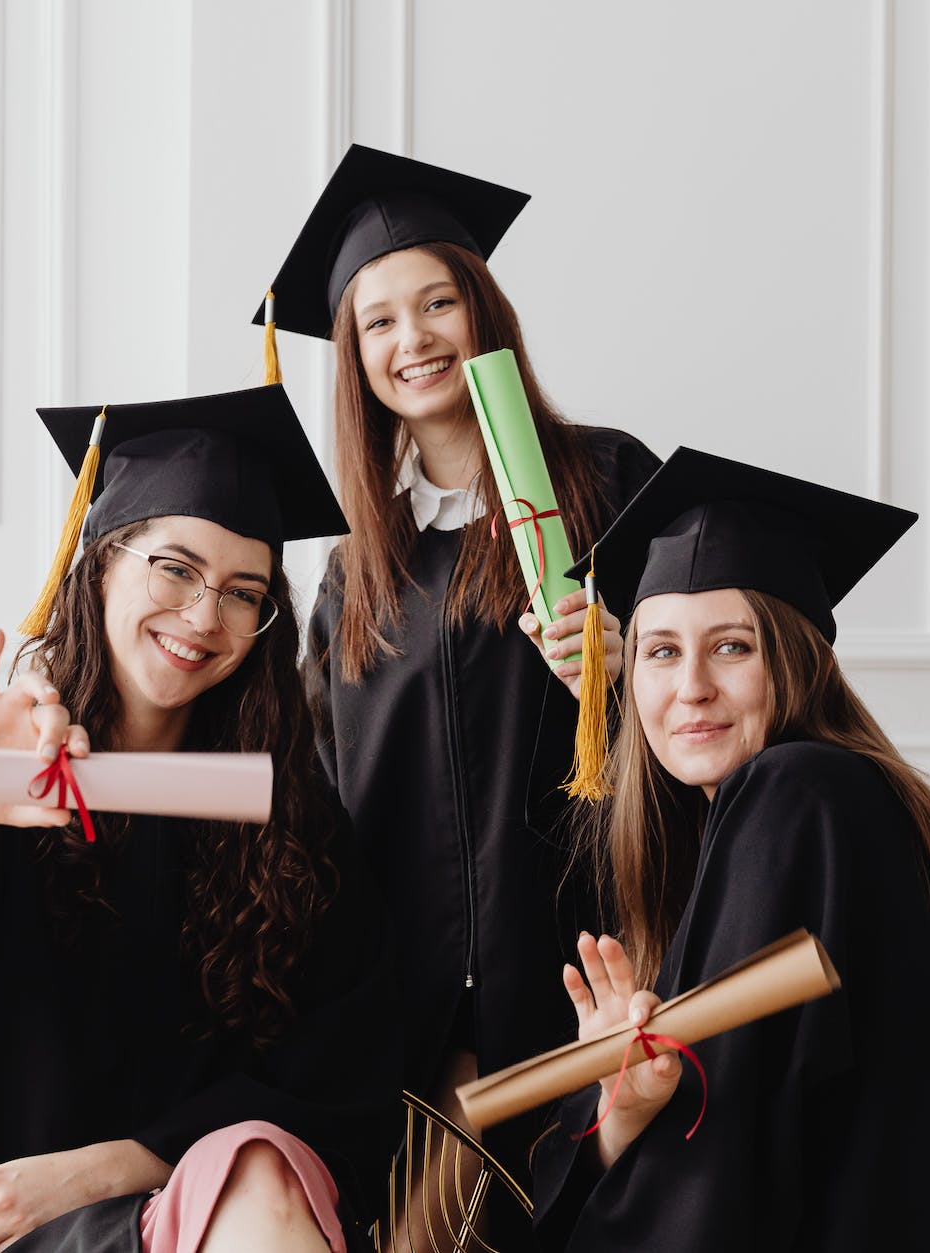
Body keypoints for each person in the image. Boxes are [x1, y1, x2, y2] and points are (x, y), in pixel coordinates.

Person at [0, 387, 399, 1253]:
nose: (205, 616)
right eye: (175, 568)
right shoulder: (14, 767)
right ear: (102, 559)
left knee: (254, 1170)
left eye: (244, 592)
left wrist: (105, 1167)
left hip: (214, 1212)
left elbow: (338, 1075)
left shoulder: (291, 819)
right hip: (10, 1226)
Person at [532, 446, 930, 1250]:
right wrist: (628, 1107)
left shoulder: (797, 795)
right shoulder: (847, 801)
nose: (690, 687)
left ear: (794, 659)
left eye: (731, 646)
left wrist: (624, 1129)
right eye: (661, 651)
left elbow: (724, 1156)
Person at [259, 146, 661, 1209]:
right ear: (352, 357)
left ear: (482, 312)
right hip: (413, 1012)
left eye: (436, 301)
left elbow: (730, 693)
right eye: (378, 321)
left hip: (593, 969)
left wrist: (627, 674)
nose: (412, 339)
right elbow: (324, 796)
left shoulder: (609, 483)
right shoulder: (355, 571)